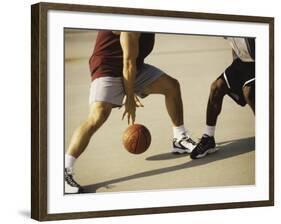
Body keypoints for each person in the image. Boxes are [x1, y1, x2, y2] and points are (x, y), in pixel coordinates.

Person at [64, 31, 196, 193]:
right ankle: (64, 170)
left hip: (133, 69)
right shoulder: (129, 21)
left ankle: (180, 139)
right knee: (97, 116)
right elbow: (128, 62)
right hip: (108, 68)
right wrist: (130, 99)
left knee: (171, 86)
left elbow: (132, 62)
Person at [190, 37, 255, 159]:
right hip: (242, 62)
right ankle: (208, 138)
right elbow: (234, 43)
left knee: (250, 93)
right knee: (216, 87)